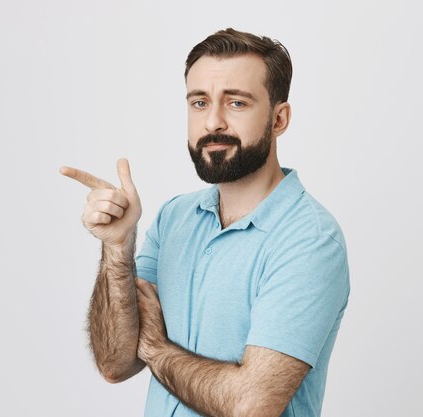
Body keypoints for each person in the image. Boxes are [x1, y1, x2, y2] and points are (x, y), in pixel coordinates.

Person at [60, 28, 349, 417]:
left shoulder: (309, 240)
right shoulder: (173, 218)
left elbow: (251, 406)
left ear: (279, 119)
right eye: (199, 102)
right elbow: (115, 363)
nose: (213, 122)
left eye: (237, 103)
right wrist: (117, 247)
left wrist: (156, 349)